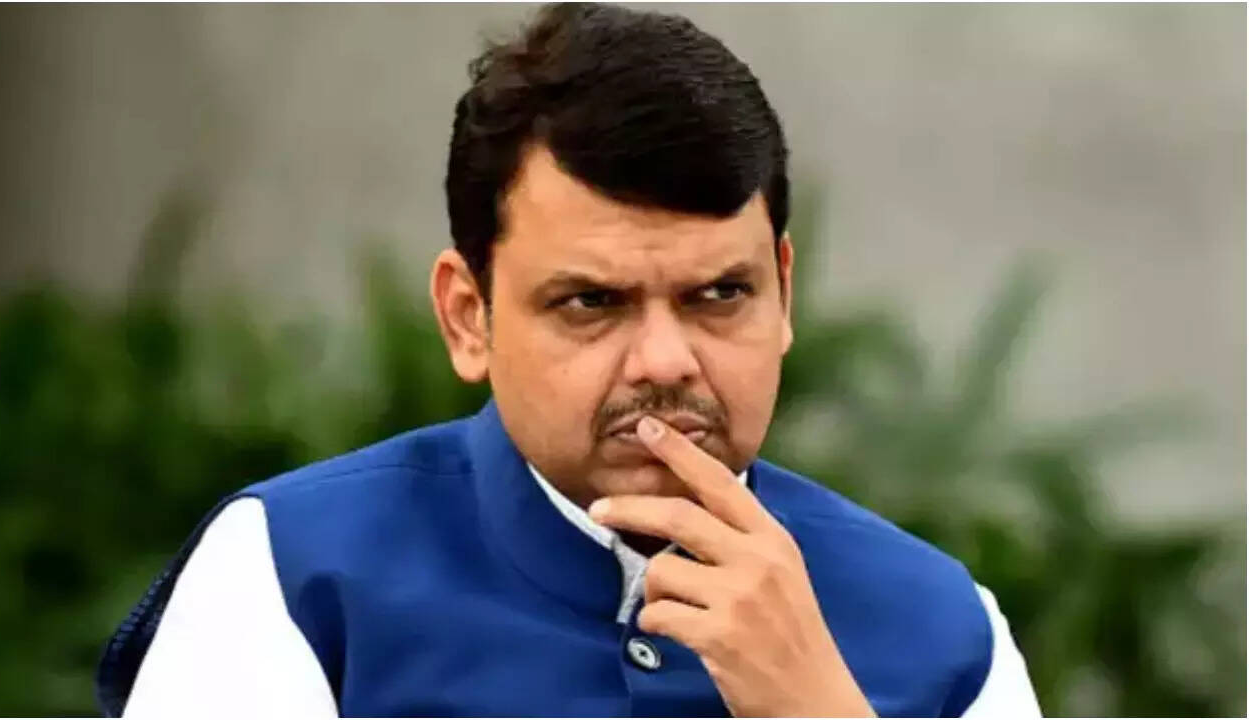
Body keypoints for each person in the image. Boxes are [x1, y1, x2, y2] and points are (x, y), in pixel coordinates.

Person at [97, 3, 1042, 717]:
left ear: (784, 295)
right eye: (592, 303)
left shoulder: (944, 631)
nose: (666, 362)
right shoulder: (294, 575)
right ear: (468, 317)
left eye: (720, 294)